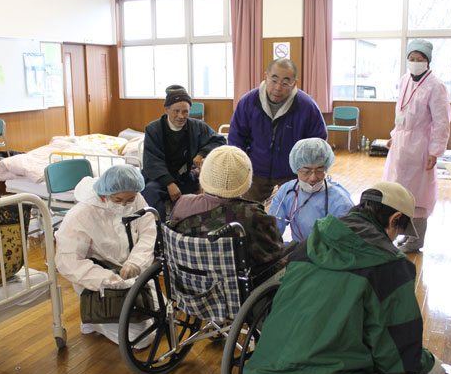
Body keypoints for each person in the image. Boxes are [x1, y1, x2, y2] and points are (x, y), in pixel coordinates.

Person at [242, 182, 451, 374]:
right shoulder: (388, 265)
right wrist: (431, 365)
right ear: (395, 219)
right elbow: (398, 359)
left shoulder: (307, 247)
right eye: (399, 231)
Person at [55, 164, 157, 346]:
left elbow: (148, 231)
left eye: (130, 199)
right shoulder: (81, 214)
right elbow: (67, 261)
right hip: (98, 280)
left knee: (162, 317)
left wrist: (136, 262)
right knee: (141, 340)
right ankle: (93, 321)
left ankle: (99, 320)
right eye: (118, 200)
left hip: (130, 273)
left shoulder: (135, 197)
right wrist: (106, 279)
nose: (125, 205)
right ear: (103, 195)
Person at [169, 145, 285, 275]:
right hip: (238, 291)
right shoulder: (253, 216)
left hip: (187, 287)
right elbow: (274, 257)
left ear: (204, 174)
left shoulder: (182, 204)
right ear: (247, 179)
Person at [383, 39, 451, 253]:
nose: (414, 63)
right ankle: (404, 233)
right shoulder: (404, 79)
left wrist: (435, 151)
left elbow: (442, 121)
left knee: (418, 194)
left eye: (419, 59)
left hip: (421, 145)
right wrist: (395, 135)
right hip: (401, 145)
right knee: (397, 190)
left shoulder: (435, 85)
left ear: (428, 62)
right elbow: (400, 113)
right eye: (411, 59)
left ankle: (417, 239)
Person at [229, 58, 328, 203]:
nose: (278, 88)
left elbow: (318, 142)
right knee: (246, 212)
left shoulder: (307, 106)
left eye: (285, 82)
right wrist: (240, 167)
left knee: (299, 211)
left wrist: (306, 171)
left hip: (292, 172)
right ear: (265, 77)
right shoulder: (248, 102)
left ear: (294, 83)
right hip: (255, 169)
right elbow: (236, 138)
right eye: (274, 80)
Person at [141, 85, 226, 221]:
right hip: (159, 178)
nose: (181, 116)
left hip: (185, 177)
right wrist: (169, 183)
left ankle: (190, 230)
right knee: (150, 193)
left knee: (208, 194)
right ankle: (158, 234)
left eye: (185, 112)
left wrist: (202, 153)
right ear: (166, 110)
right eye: (176, 111)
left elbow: (219, 141)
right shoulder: (154, 129)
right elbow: (152, 161)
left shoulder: (197, 126)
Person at [269, 138, 354, 241]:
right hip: (298, 251)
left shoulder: (340, 202)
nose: (313, 178)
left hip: (328, 253)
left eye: (319, 171)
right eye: (306, 171)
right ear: (296, 169)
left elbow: (346, 243)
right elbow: (272, 229)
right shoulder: (287, 191)